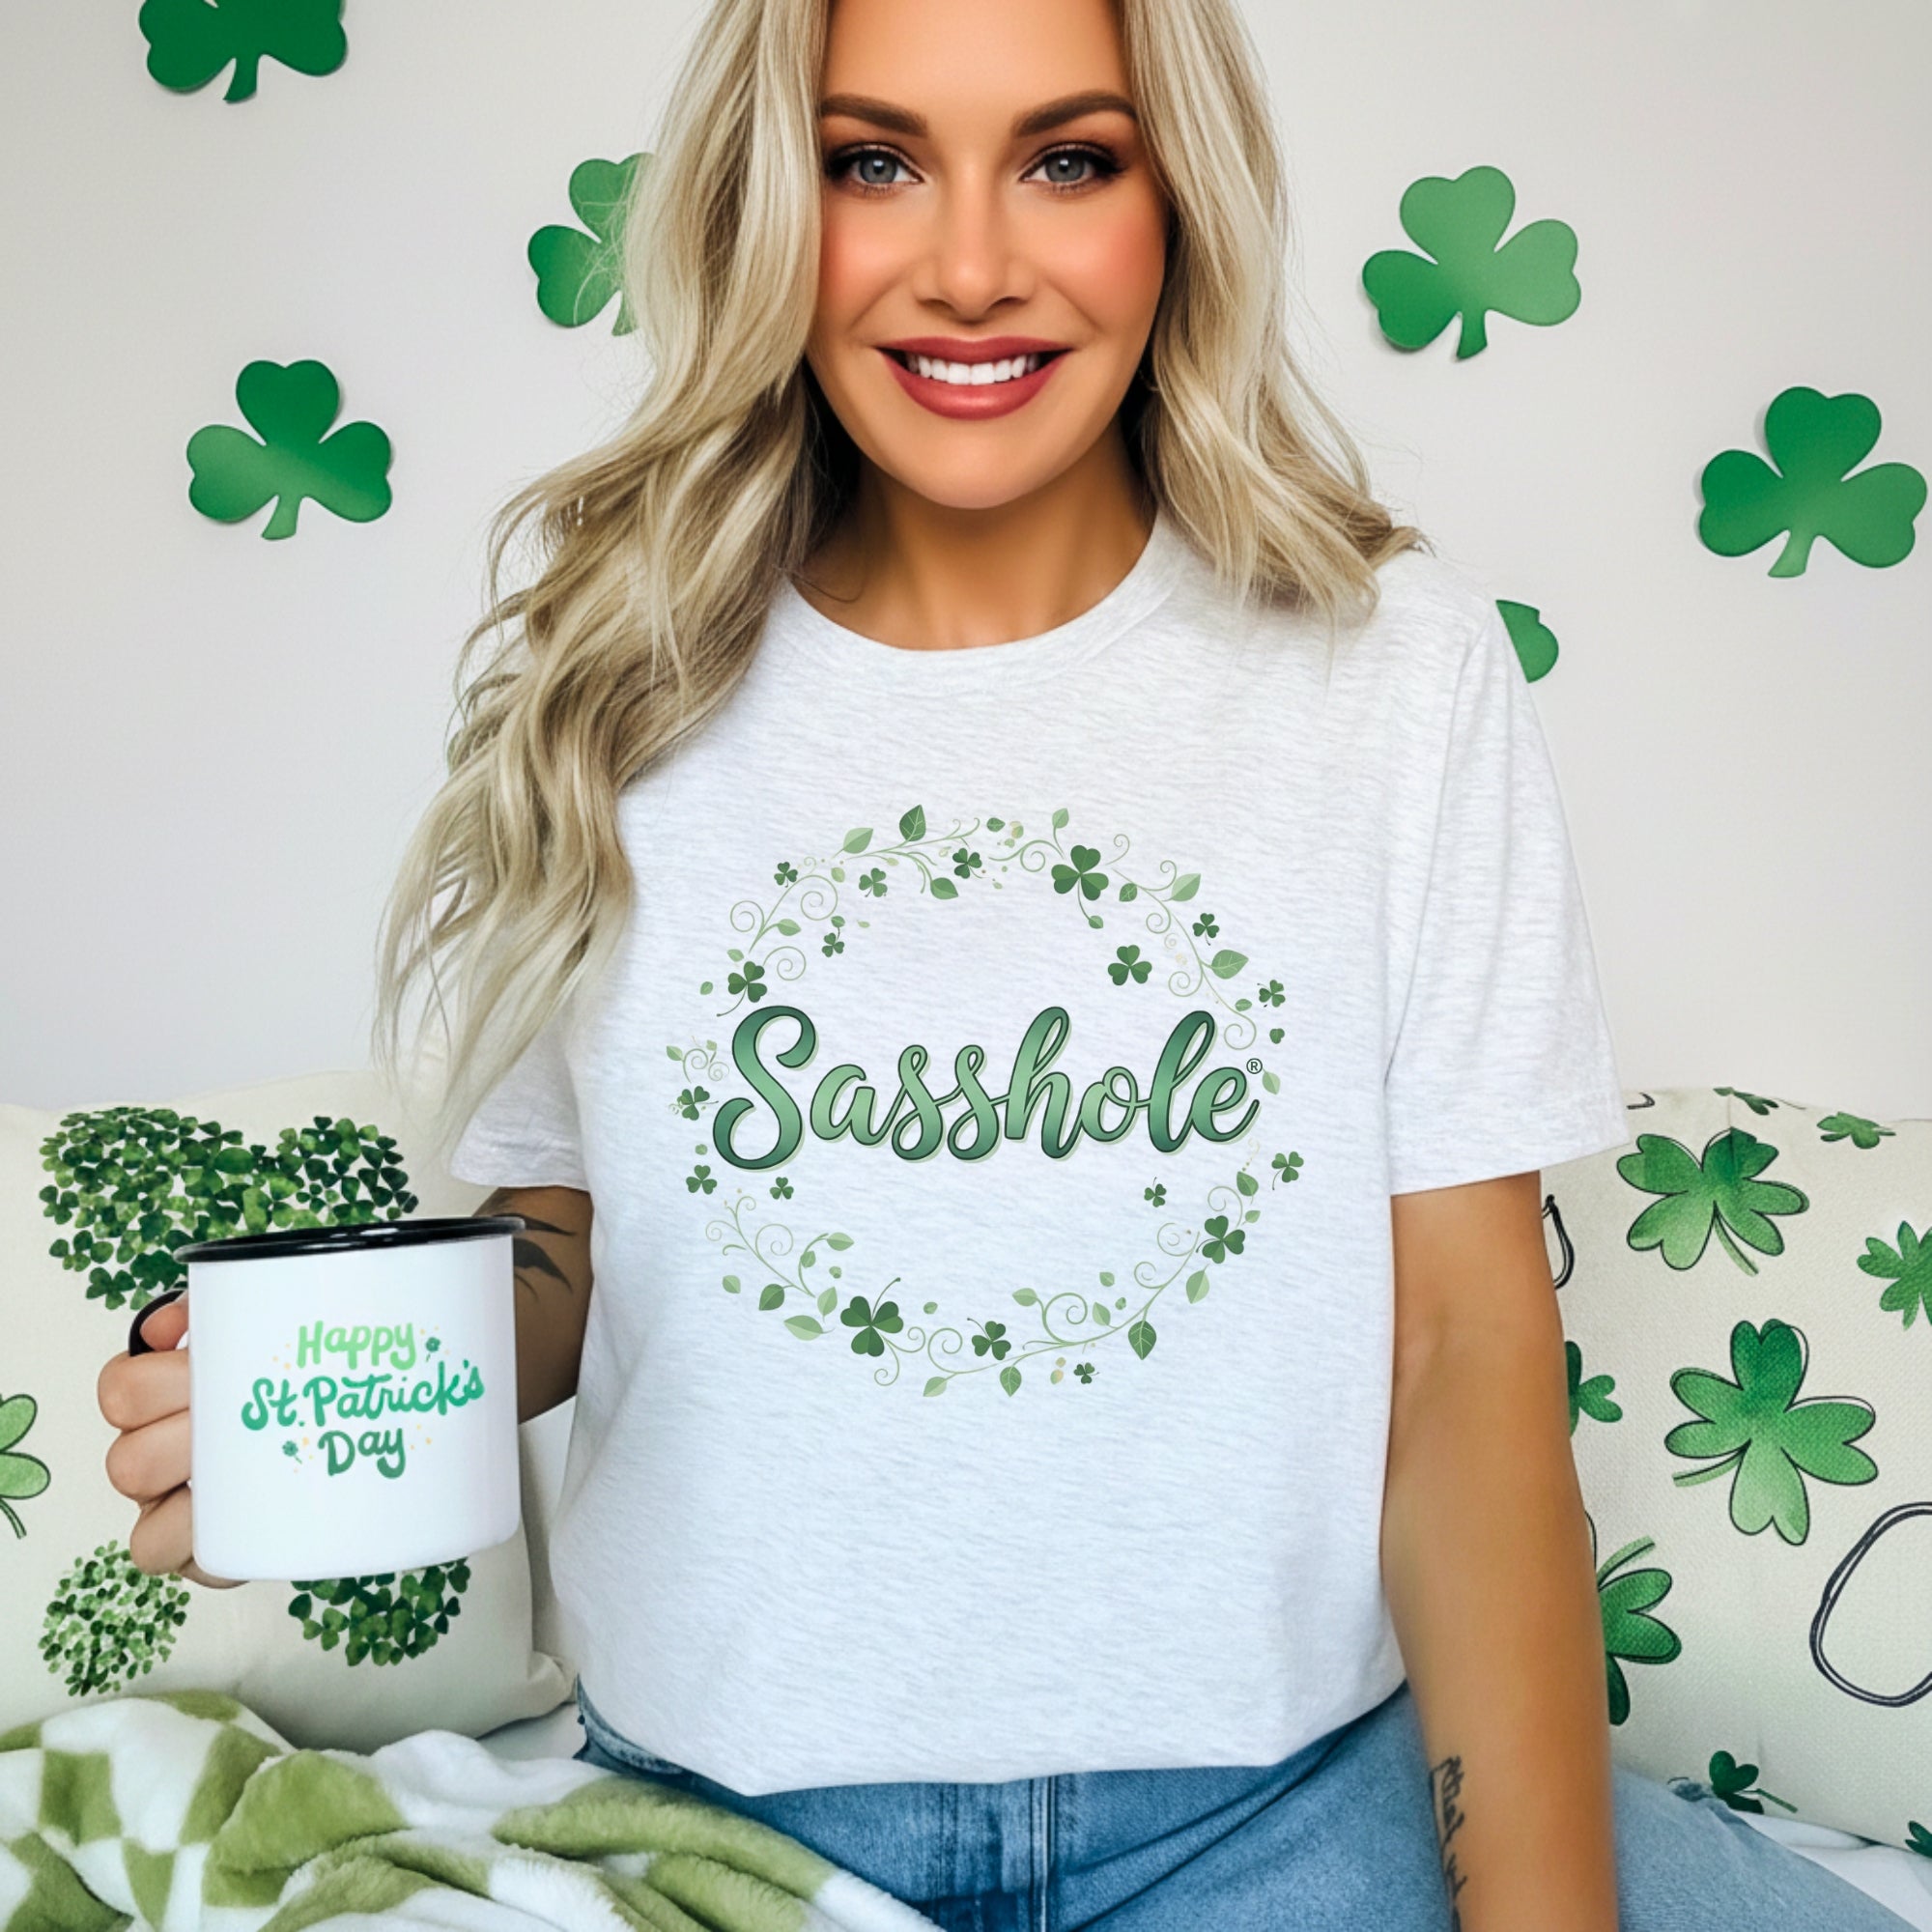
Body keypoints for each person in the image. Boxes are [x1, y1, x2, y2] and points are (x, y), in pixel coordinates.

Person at [99, 0, 1915, 1925]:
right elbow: (583, 1237)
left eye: (1068, 157)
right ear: (767, 208)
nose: (969, 266)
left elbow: (1461, 1344)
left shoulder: (1390, 669)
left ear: (1174, 204)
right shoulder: (620, 670)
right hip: (732, 1818)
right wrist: (343, 1397)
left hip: (1278, 1803)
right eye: (871, 160)